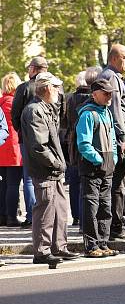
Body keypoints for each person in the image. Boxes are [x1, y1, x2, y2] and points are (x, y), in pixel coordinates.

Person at [20, 72, 81, 265]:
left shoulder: (46, 108)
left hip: (54, 168)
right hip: (45, 169)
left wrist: (59, 164)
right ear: (46, 88)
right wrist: (57, 163)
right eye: (55, 87)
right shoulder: (34, 110)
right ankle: (42, 251)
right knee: (45, 210)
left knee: (60, 210)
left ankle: (58, 246)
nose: (58, 91)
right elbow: (39, 146)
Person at [76, 78, 119, 258]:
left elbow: (113, 139)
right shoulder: (88, 114)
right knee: (91, 208)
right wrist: (99, 159)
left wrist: (114, 158)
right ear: (94, 95)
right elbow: (84, 143)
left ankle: (103, 242)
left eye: (110, 93)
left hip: (107, 166)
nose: (109, 96)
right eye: (106, 93)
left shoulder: (107, 112)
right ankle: (92, 245)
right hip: (92, 168)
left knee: (105, 207)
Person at [99, 45, 125, 240]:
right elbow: (115, 111)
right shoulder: (111, 77)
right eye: (124, 57)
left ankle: (114, 225)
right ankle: (116, 226)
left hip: (118, 137)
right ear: (113, 59)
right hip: (118, 139)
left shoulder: (113, 76)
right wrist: (123, 138)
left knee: (117, 184)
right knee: (118, 185)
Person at [11, 56, 53, 228]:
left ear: (34, 69)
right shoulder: (54, 86)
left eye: (29, 68)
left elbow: (15, 113)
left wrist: (20, 130)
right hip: (50, 138)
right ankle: (46, 216)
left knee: (29, 179)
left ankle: (32, 215)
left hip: (27, 137)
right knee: (48, 177)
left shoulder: (24, 88)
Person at [65, 67, 101, 228]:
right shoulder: (94, 101)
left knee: (75, 182)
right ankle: (87, 220)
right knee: (88, 184)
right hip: (91, 144)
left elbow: (65, 121)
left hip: (73, 143)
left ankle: (76, 217)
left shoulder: (71, 98)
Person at [0, 73, 22, 227]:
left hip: (1, 146)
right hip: (14, 148)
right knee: (13, 184)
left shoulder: (0, 102)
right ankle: (11, 217)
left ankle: (2, 215)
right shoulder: (16, 103)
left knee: (2, 184)